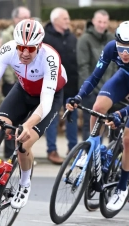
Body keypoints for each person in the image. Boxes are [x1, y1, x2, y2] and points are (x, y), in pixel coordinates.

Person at [0, 19, 67, 209]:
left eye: (31, 48)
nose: (25, 52)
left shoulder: (50, 58)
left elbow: (45, 103)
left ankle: (24, 183)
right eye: (21, 47)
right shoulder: (8, 49)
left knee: (22, 143)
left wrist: (28, 125)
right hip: (22, 91)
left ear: (39, 45)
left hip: (48, 98)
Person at [66, 21, 129, 211]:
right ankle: (91, 150)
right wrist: (78, 97)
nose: (124, 53)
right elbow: (94, 77)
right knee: (98, 107)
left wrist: (121, 113)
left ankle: (122, 188)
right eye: (121, 48)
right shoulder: (111, 48)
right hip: (124, 79)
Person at [43, 7, 78, 164]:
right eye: (65, 18)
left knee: (72, 117)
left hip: (71, 85)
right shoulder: (45, 38)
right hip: (53, 85)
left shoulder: (72, 38)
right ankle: (52, 150)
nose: (68, 21)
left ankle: (73, 149)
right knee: (52, 118)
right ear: (55, 20)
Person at [76, 9, 116, 141]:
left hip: (111, 90)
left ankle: (111, 157)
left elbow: (116, 64)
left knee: (113, 124)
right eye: (99, 21)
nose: (102, 25)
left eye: (105, 22)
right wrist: (88, 88)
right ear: (93, 21)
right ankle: (89, 155)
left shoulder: (112, 39)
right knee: (92, 126)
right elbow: (83, 67)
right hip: (92, 91)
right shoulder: (85, 40)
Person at [0, 6, 31, 159]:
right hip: (12, 81)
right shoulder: (8, 34)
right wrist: (10, 79)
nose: (26, 20)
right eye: (23, 17)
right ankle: (7, 152)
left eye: (28, 17)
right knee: (9, 119)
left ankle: (20, 152)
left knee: (23, 120)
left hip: (26, 82)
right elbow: (5, 60)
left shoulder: (32, 36)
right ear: (15, 19)